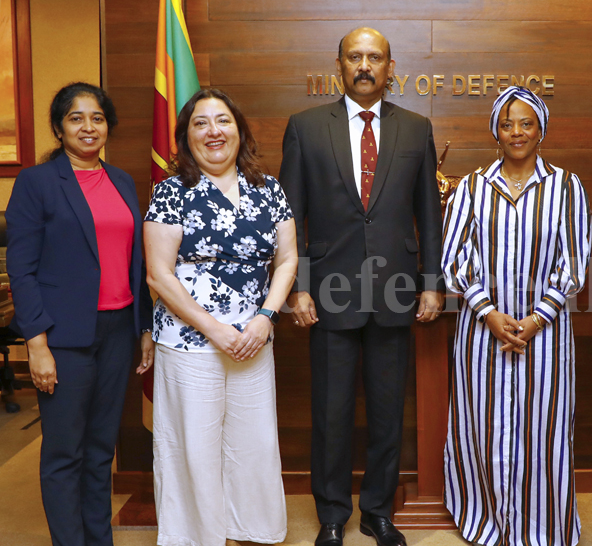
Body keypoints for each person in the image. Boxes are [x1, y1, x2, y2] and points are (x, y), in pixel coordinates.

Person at [278, 27, 444, 546]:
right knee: (330, 412)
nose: (365, 65)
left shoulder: (416, 128)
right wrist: (298, 287)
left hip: (397, 291)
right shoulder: (306, 127)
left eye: (375, 57)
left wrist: (432, 284)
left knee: (388, 410)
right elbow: (292, 216)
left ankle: (377, 511)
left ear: (391, 67)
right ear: (339, 65)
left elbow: (428, 214)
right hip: (327, 292)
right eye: (355, 57)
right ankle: (331, 513)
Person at [144, 88, 298, 546]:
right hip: (190, 341)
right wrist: (214, 329)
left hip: (253, 338)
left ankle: (249, 530)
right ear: (186, 137)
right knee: (195, 447)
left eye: (223, 121)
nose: (214, 131)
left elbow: (287, 260)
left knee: (252, 443)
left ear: (240, 130)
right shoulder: (171, 192)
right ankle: (200, 537)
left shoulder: (269, 189)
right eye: (200, 123)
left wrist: (266, 317)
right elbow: (158, 274)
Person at [442, 86, 592, 546]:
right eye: (507, 124)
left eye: (526, 123)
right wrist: (489, 313)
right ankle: (486, 519)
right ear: (495, 130)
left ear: (541, 128)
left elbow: (575, 263)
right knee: (481, 427)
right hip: (480, 331)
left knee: (542, 431)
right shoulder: (470, 187)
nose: (516, 132)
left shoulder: (567, 186)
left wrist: (534, 319)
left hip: (544, 335)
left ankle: (541, 525)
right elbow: (454, 260)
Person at [7, 82, 153, 546]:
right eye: (76, 118)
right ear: (58, 127)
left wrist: (145, 326)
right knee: (64, 453)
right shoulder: (37, 182)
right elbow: (22, 268)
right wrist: (37, 343)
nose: (88, 127)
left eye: (97, 117)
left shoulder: (122, 179)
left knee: (98, 451)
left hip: (117, 330)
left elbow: (138, 260)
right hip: (63, 335)